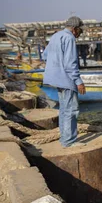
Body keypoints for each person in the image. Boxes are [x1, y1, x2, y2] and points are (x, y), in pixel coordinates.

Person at [42, 16, 86, 147]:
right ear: (74, 29)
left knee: (63, 109)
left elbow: (45, 55)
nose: (80, 33)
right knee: (71, 110)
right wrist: (79, 81)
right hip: (66, 79)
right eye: (80, 31)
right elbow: (70, 64)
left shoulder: (56, 36)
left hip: (54, 78)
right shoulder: (69, 38)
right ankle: (68, 141)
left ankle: (64, 138)